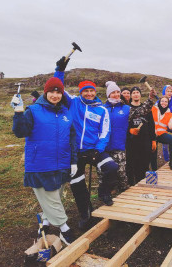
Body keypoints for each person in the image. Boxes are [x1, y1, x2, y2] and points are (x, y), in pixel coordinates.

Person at [54, 57, 119, 230]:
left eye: (91, 90)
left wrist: (98, 150)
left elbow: (105, 132)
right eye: (85, 91)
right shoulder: (73, 102)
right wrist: (59, 70)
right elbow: (58, 88)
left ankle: (104, 192)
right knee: (77, 184)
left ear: (95, 92)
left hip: (93, 150)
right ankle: (85, 212)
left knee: (112, 168)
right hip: (75, 152)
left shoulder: (101, 109)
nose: (89, 93)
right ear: (81, 92)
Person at [12, 77, 76, 245]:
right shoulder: (33, 111)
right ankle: (64, 229)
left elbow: (72, 138)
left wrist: (73, 161)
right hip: (40, 164)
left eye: (58, 92)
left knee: (56, 196)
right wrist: (18, 113)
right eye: (52, 91)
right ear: (45, 92)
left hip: (62, 163)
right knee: (51, 198)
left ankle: (45, 221)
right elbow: (20, 132)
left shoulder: (65, 113)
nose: (55, 95)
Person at [103, 81, 131, 192]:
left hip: (119, 145)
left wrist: (149, 100)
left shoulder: (126, 108)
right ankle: (106, 192)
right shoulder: (102, 108)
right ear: (108, 94)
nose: (116, 94)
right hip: (104, 147)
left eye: (117, 92)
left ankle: (124, 190)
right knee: (105, 172)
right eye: (113, 92)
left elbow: (140, 111)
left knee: (121, 172)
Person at [126, 86, 157, 185]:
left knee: (145, 163)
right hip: (132, 142)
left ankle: (146, 184)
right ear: (131, 95)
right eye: (133, 92)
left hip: (145, 140)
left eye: (137, 92)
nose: (135, 94)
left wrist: (153, 140)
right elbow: (123, 126)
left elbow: (151, 124)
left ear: (140, 94)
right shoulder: (127, 109)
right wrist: (129, 130)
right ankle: (133, 185)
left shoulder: (146, 107)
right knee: (132, 163)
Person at [151, 96, 172, 170]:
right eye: (162, 101)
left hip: (161, 134)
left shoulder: (170, 114)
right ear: (159, 102)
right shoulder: (153, 109)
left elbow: (171, 127)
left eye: (166, 102)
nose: (164, 103)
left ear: (168, 103)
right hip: (152, 134)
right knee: (153, 151)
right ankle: (154, 169)